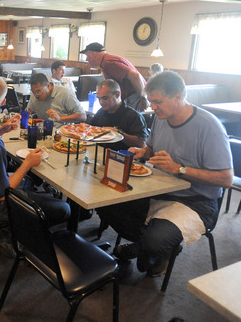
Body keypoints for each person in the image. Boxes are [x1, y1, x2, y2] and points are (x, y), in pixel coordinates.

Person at [97, 71, 233, 277]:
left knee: (152, 249)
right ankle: (149, 245)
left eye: (157, 101)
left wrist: (179, 169)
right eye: (151, 101)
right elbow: (151, 148)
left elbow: (226, 178)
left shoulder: (208, 126)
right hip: (159, 188)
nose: (152, 107)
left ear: (178, 97)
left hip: (197, 201)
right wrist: (143, 152)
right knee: (105, 203)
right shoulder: (161, 117)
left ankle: (151, 247)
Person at [0, 75, 70, 226]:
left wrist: (0, 131)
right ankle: (25, 234)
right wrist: (27, 163)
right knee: (64, 208)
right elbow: (1, 195)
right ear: (3, 102)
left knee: (28, 181)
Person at [80, 42, 149, 112]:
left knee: (129, 121)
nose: (86, 59)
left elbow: (136, 76)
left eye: (87, 56)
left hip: (134, 97)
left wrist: (143, 98)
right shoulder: (108, 60)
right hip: (134, 96)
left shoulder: (108, 63)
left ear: (93, 54)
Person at [88, 79, 148, 151]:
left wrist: (119, 133)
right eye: (99, 99)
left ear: (117, 94)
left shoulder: (134, 116)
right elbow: (90, 131)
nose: (101, 102)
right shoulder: (101, 112)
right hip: (100, 153)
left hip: (123, 157)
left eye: (105, 98)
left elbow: (142, 144)